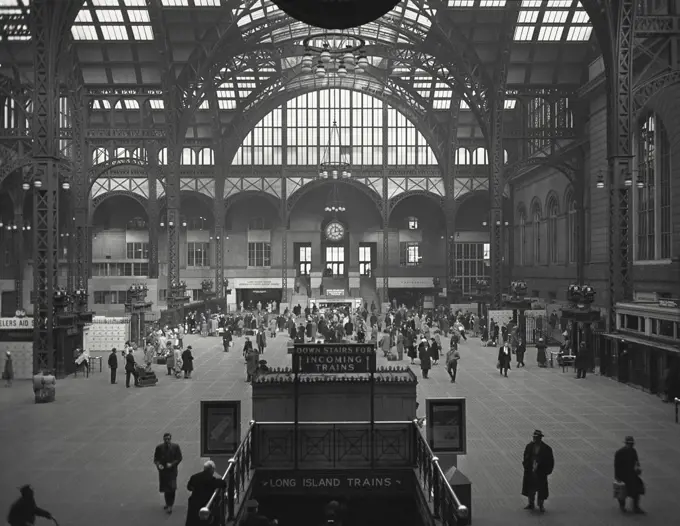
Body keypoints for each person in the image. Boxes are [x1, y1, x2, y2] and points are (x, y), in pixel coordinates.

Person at [521, 430, 554, 512]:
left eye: (537, 437)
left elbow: (550, 461)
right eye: (534, 437)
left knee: (541, 489)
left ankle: (541, 505)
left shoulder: (546, 448)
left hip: (541, 472)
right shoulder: (529, 446)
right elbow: (525, 456)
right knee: (530, 488)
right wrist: (526, 466)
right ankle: (531, 504)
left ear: (540, 438)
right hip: (531, 471)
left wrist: (547, 471)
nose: (535, 439)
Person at [185, 460, 227, 526]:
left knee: (192, 521)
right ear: (212, 470)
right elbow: (222, 483)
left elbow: (189, 487)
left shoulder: (194, 477)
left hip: (194, 503)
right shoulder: (211, 479)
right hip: (205, 503)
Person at [153, 432, 183, 514]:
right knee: (166, 489)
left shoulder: (175, 447)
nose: (167, 440)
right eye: (166, 439)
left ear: (170, 439)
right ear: (163, 439)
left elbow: (179, 458)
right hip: (163, 472)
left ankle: (170, 505)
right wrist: (159, 465)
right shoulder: (159, 448)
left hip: (172, 471)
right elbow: (156, 459)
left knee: (172, 489)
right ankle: (167, 503)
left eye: (168, 439)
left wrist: (172, 464)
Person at [614, 436, 645, 514]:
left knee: (637, 490)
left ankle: (636, 507)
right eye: (629, 444)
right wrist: (617, 477)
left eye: (632, 444)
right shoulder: (620, 452)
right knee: (622, 492)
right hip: (623, 476)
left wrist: (638, 468)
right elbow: (616, 466)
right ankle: (622, 506)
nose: (631, 445)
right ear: (626, 444)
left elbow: (636, 461)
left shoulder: (633, 451)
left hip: (632, 475)